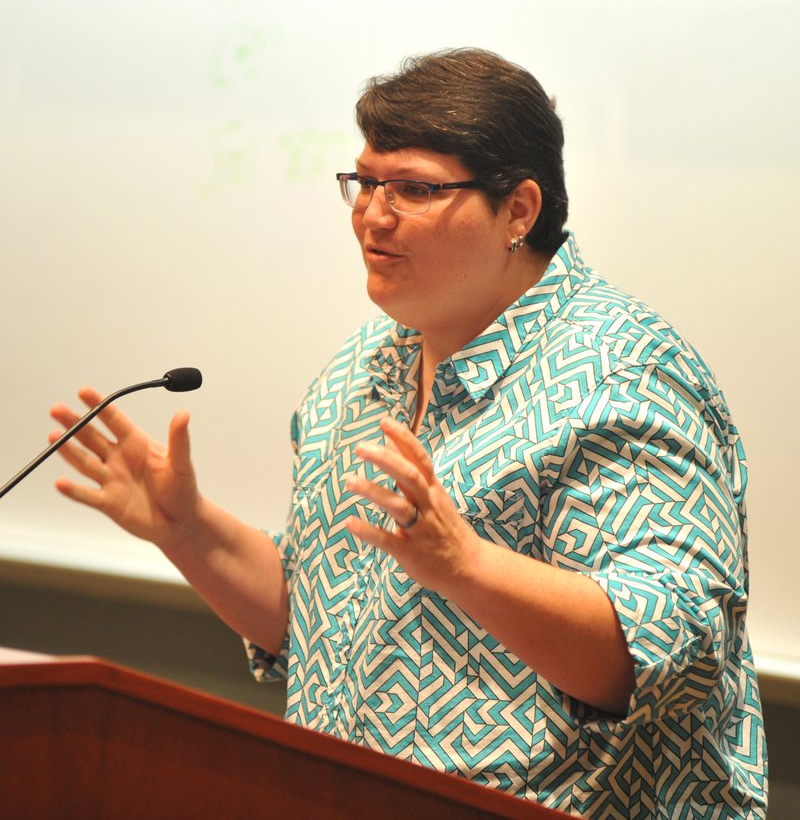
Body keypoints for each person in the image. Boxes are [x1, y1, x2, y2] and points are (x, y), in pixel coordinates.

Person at [49, 48, 767, 818]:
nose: (373, 214)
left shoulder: (624, 373)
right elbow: (319, 619)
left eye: (415, 189)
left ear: (518, 210)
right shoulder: (361, 369)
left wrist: (464, 565)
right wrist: (190, 533)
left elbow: (660, 656)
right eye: (364, 182)